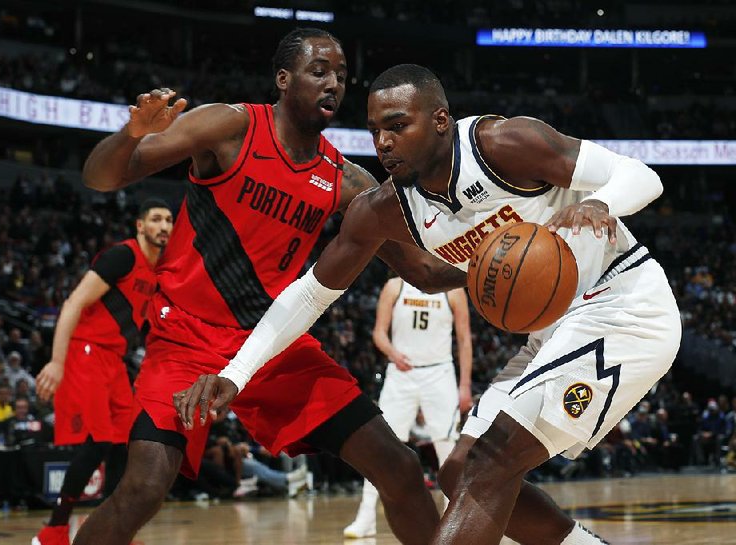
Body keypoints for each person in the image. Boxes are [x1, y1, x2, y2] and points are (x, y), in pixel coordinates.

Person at [201, 64, 682, 545]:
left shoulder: (503, 144)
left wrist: (602, 204)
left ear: (439, 120)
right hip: (552, 332)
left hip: (622, 307)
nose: (383, 143)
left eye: (396, 125)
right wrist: (236, 373)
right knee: (458, 472)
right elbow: (310, 293)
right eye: (374, 131)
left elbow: (641, 175)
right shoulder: (386, 208)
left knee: (493, 460)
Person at [73, 29, 465, 545]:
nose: (334, 84)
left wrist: (498, 258)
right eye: (319, 71)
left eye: (342, 76)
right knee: (143, 488)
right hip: (186, 339)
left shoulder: (347, 181)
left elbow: (424, 272)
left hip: (270, 343)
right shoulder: (229, 126)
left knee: (400, 467)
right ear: (283, 79)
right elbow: (100, 177)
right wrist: (130, 134)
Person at [32, 198, 173, 545]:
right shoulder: (123, 256)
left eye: (169, 220)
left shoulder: (160, 272)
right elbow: (73, 303)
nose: (164, 226)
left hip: (113, 360)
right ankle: (53, 531)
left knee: (127, 446)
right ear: (141, 226)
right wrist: (56, 361)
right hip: (86, 352)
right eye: (156, 219)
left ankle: (114, 532)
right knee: (98, 443)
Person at [344, 277, 472, 538]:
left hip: (439, 372)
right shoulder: (394, 286)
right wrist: (393, 353)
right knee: (382, 447)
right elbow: (379, 332)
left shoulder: (453, 290)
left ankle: (453, 515)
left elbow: (464, 339)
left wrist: (464, 385)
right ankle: (366, 516)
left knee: (447, 446)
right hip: (401, 374)